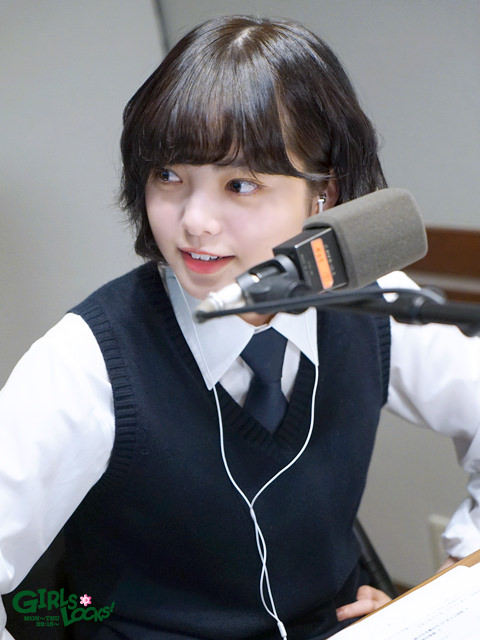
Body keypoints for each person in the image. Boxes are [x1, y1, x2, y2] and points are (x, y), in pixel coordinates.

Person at [1, 14, 480, 640]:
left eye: (241, 183)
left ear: (325, 194)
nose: (194, 221)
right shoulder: (86, 361)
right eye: (168, 175)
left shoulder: (374, 302)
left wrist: (447, 585)